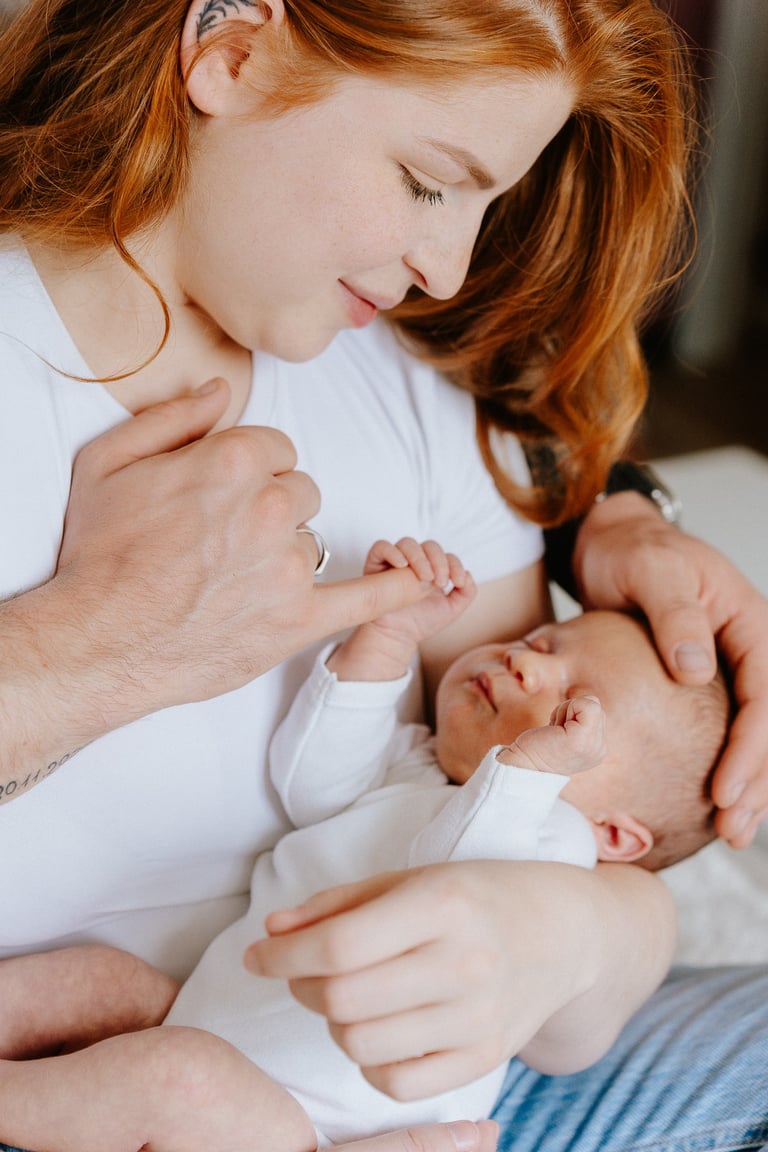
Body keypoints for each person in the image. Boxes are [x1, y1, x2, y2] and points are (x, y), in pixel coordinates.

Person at [2, 1, 768, 1150]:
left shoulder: (408, 395)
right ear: (232, 46)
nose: (448, 267)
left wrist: (555, 940)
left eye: (488, 201)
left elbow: (591, 863)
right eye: (427, 180)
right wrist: (82, 653)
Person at [0, 539, 729, 1152]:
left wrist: (530, 771)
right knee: (97, 980)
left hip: (306, 1122)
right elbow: (315, 784)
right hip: (201, 1007)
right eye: (539, 642)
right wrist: (386, 639)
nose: (524, 663)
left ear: (617, 834)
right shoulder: (420, 764)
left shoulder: (553, 840)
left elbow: (456, 881)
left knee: (174, 1078)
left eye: (574, 699)